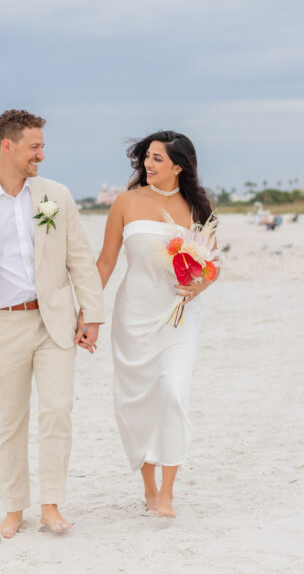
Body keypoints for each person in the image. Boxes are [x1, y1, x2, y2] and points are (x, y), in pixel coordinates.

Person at [0, 110, 105, 538]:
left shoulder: (57, 195)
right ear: (7, 146)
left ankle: (51, 506)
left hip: (53, 323)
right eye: (35, 146)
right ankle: (14, 509)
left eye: (42, 146)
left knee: (57, 412)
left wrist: (92, 315)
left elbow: (79, 258)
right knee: (10, 420)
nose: (42, 154)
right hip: (0, 327)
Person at [91, 130, 218, 518]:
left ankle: (167, 494)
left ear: (179, 166)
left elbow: (213, 266)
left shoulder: (197, 208)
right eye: (147, 156)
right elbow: (106, 262)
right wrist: (88, 310)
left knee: (172, 393)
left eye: (158, 159)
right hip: (133, 316)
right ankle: (148, 487)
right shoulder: (126, 202)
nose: (148, 163)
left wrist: (199, 284)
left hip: (178, 317)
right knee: (139, 401)